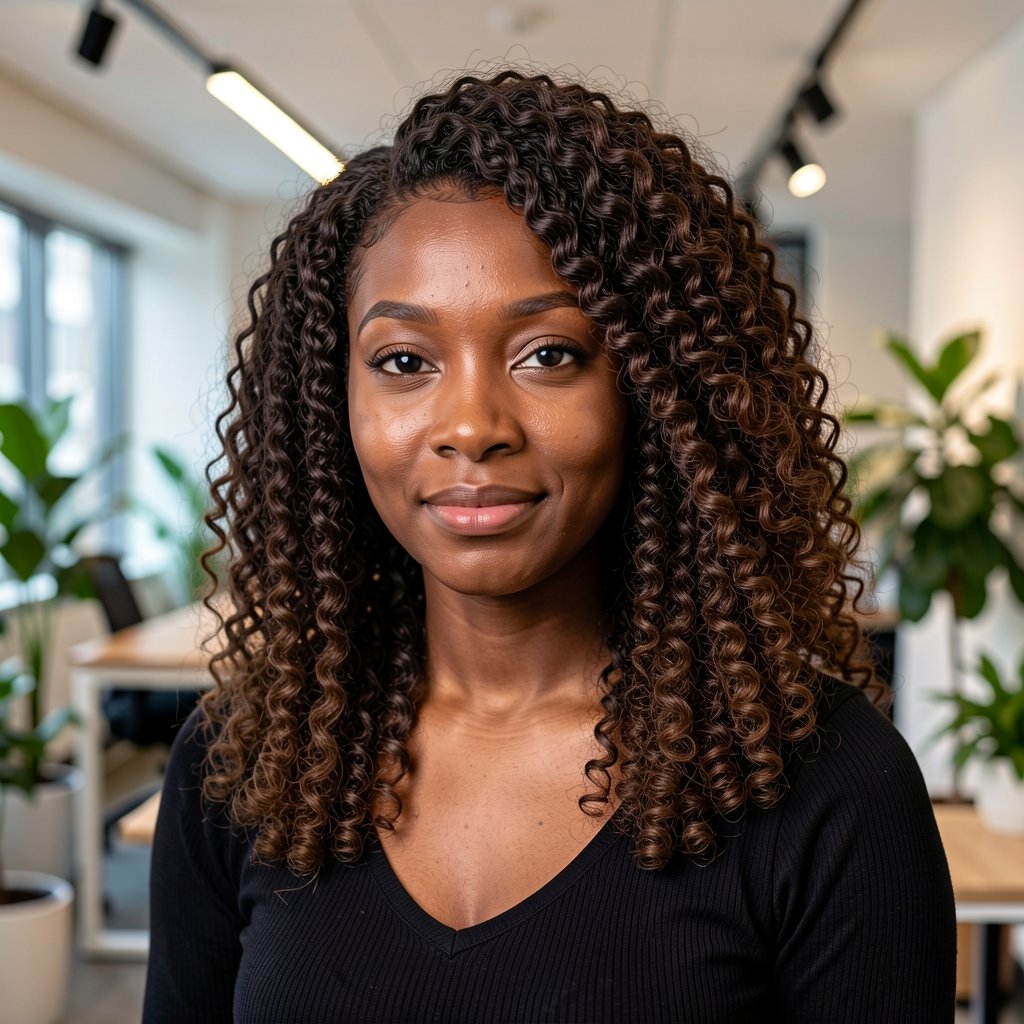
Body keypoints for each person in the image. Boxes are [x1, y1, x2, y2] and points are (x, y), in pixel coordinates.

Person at [142, 70, 956, 1023]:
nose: (471, 425)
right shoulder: (246, 761)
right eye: (405, 362)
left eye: (549, 354)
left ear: (657, 394)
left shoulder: (825, 785)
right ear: (335, 404)